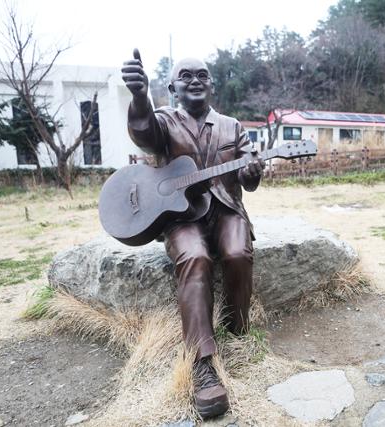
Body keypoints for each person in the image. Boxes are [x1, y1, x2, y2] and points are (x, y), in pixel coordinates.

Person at [121, 49, 264, 419]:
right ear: (171, 87)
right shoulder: (164, 121)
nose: (195, 80)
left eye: (202, 74)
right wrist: (140, 97)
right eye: (186, 75)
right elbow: (144, 134)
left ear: (212, 84)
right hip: (181, 217)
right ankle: (202, 364)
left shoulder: (233, 125)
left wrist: (252, 172)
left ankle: (237, 326)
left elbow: (250, 180)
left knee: (236, 252)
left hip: (227, 209)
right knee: (194, 257)